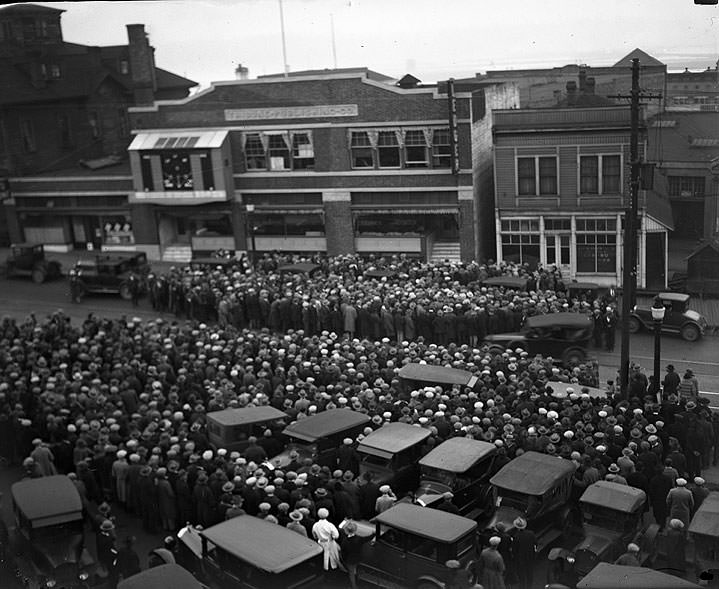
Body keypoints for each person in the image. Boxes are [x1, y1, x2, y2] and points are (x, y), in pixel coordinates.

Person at [339, 520, 374, 589]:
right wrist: (373, 534)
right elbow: (367, 538)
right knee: (357, 569)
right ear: (355, 530)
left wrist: (344, 560)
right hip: (358, 558)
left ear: (346, 531)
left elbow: (343, 553)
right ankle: (358, 577)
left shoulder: (344, 542)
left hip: (350, 560)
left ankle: (354, 586)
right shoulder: (359, 539)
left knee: (351, 573)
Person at [511, 517, 537, 589]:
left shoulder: (516, 536)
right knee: (529, 573)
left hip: (520, 559)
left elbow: (514, 550)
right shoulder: (531, 533)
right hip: (530, 557)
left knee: (521, 575)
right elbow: (535, 543)